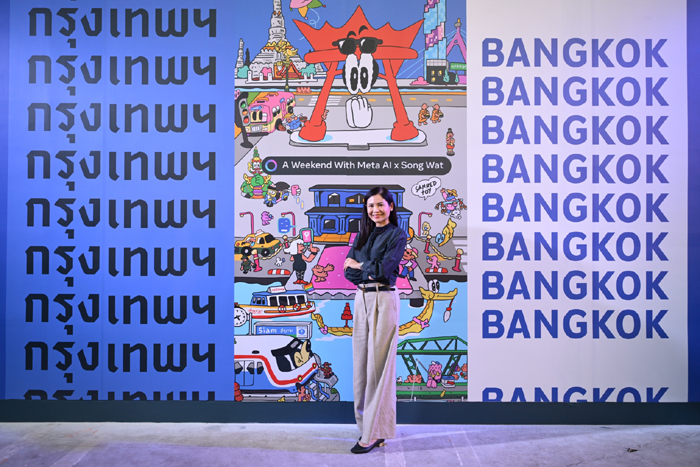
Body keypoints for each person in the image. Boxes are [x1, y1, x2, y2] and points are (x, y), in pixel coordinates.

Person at [343, 187, 406, 454]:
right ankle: (369, 428)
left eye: (380, 204)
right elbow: (348, 273)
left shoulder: (398, 235)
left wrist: (361, 266)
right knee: (361, 367)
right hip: (362, 299)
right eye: (370, 205)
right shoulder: (363, 234)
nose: (375, 210)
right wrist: (366, 270)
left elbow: (384, 270)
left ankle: (372, 434)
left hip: (384, 299)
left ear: (391, 206)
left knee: (379, 368)